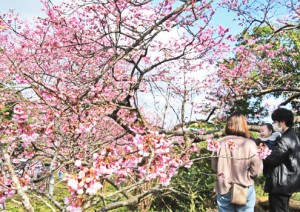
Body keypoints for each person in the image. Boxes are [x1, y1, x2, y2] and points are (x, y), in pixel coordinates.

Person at [211, 112, 263, 211]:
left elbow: (214, 167)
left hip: (223, 187)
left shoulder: (218, 143)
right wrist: (249, 177)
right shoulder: (250, 144)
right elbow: (256, 170)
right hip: (244, 186)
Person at [263, 108, 300, 212]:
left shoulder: (285, 139)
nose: (273, 124)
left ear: (282, 122)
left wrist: (262, 153)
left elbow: (272, 159)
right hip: (288, 181)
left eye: (275, 121)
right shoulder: (293, 136)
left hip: (281, 183)